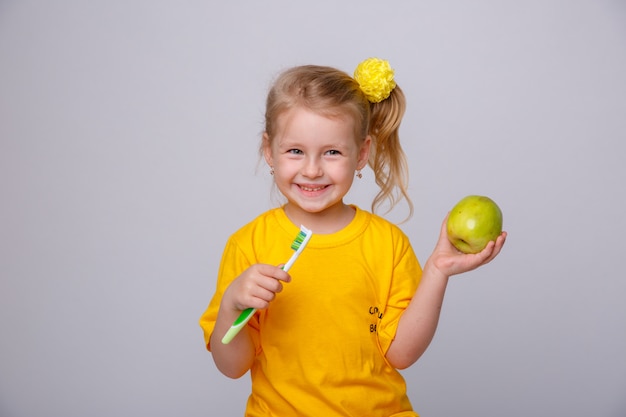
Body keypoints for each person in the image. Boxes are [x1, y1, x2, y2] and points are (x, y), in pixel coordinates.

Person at [199, 58, 507, 416]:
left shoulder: (388, 243)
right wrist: (231, 306)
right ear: (269, 150)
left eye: (332, 152)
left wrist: (437, 270)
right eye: (295, 151)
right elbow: (231, 366)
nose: (312, 170)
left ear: (361, 154)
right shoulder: (248, 244)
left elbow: (402, 354)